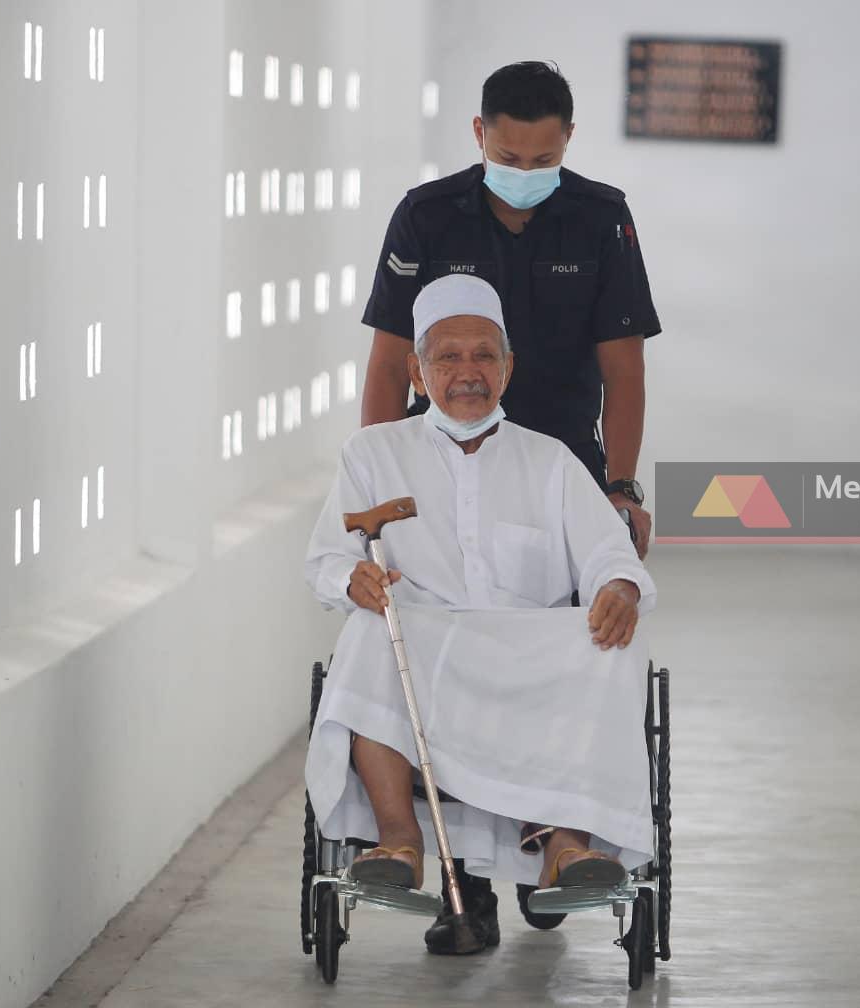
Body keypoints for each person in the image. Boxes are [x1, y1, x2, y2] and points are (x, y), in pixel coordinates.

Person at [305, 274, 656, 954]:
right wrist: (355, 580)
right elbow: (326, 559)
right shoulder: (373, 454)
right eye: (448, 358)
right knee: (369, 633)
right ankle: (399, 842)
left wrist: (619, 587)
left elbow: (609, 553)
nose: (468, 373)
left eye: (484, 356)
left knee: (611, 641)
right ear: (416, 372)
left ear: (508, 368)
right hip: (421, 658)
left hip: (528, 665)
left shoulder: (550, 460)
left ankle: (566, 846)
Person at [360, 60, 660, 557]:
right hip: (442, 458)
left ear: (568, 137)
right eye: (508, 157)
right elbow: (390, 364)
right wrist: (379, 479)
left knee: (574, 598)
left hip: (564, 457)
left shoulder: (601, 219)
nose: (524, 173)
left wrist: (621, 486)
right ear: (480, 132)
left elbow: (624, 370)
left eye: (543, 160)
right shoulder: (426, 217)